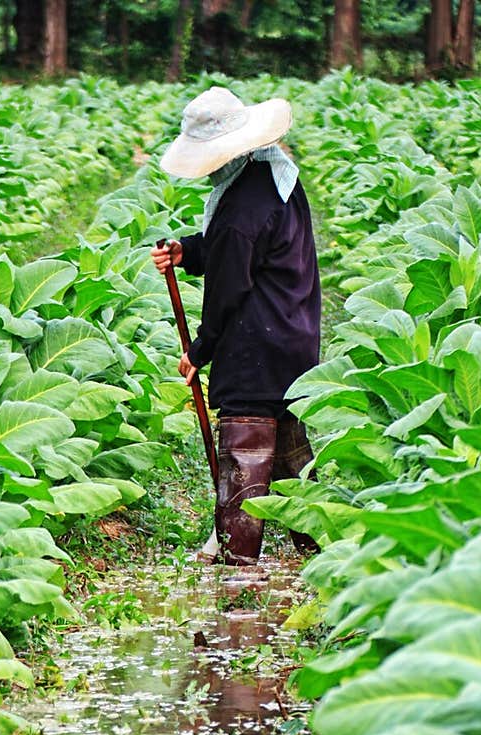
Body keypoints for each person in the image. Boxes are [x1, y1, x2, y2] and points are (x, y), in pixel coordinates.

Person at [151, 86, 321, 566]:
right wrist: (190, 250)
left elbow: (228, 288)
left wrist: (200, 350)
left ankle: (237, 571)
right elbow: (240, 249)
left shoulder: (242, 207)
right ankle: (327, 557)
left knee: (245, 455)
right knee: (290, 458)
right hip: (292, 336)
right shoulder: (272, 175)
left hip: (253, 349)